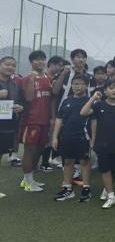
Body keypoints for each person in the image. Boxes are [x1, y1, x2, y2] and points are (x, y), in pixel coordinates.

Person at [81, 81, 115, 209]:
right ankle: (111, 195)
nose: (114, 90)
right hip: (102, 143)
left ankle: (107, 188)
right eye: (111, 88)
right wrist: (93, 98)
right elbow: (83, 112)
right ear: (105, 91)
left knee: (114, 168)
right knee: (104, 168)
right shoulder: (99, 105)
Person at [52, 74, 92, 202]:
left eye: (81, 84)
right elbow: (59, 119)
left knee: (84, 162)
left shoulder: (90, 101)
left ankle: (86, 188)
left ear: (86, 86)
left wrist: (93, 138)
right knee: (68, 162)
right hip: (66, 137)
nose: (77, 86)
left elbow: (94, 121)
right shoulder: (66, 101)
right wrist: (55, 137)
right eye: (75, 84)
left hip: (83, 137)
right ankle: (68, 188)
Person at [18, 51, 53, 192]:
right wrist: (32, 80)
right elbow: (29, 98)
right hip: (31, 120)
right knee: (30, 150)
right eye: (37, 60)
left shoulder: (48, 78)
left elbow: (52, 99)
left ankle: (30, 179)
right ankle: (27, 181)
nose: (40, 62)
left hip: (45, 120)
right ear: (31, 62)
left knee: (39, 149)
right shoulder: (26, 78)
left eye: (43, 59)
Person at [0, 57, 24, 172]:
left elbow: (20, 101)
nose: (10, 67)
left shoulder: (15, 84)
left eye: (13, 65)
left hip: (6, 125)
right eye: (7, 64)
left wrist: (20, 107)